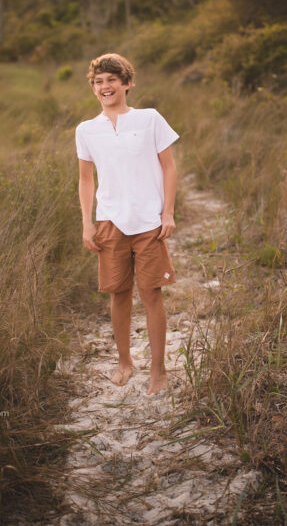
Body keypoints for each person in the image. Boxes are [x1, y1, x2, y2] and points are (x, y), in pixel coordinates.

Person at [75, 53, 179, 396]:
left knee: (151, 294)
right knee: (119, 295)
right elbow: (86, 180)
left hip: (149, 221)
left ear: (127, 83)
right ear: (93, 88)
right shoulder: (87, 130)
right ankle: (124, 362)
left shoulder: (149, 119)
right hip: (110, 222)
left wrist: (167, 213)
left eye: (111, 80)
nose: (105, 87)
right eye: (98, 82)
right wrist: (87, 223)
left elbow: (169, 167)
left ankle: (158, 370)